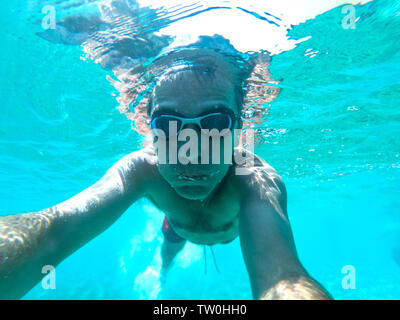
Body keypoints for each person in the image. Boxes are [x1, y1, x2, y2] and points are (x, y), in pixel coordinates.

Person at [0, 48, 332, 300]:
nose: (191, 152)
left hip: (212, 230)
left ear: (239, 129)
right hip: (176, 229)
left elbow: (282, 277)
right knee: (169, 247)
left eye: (215, 124)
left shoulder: (251, 175)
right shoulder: (141, 168)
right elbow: (54, 230)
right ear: (150, 127)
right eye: (169, 125)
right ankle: (162, 270)